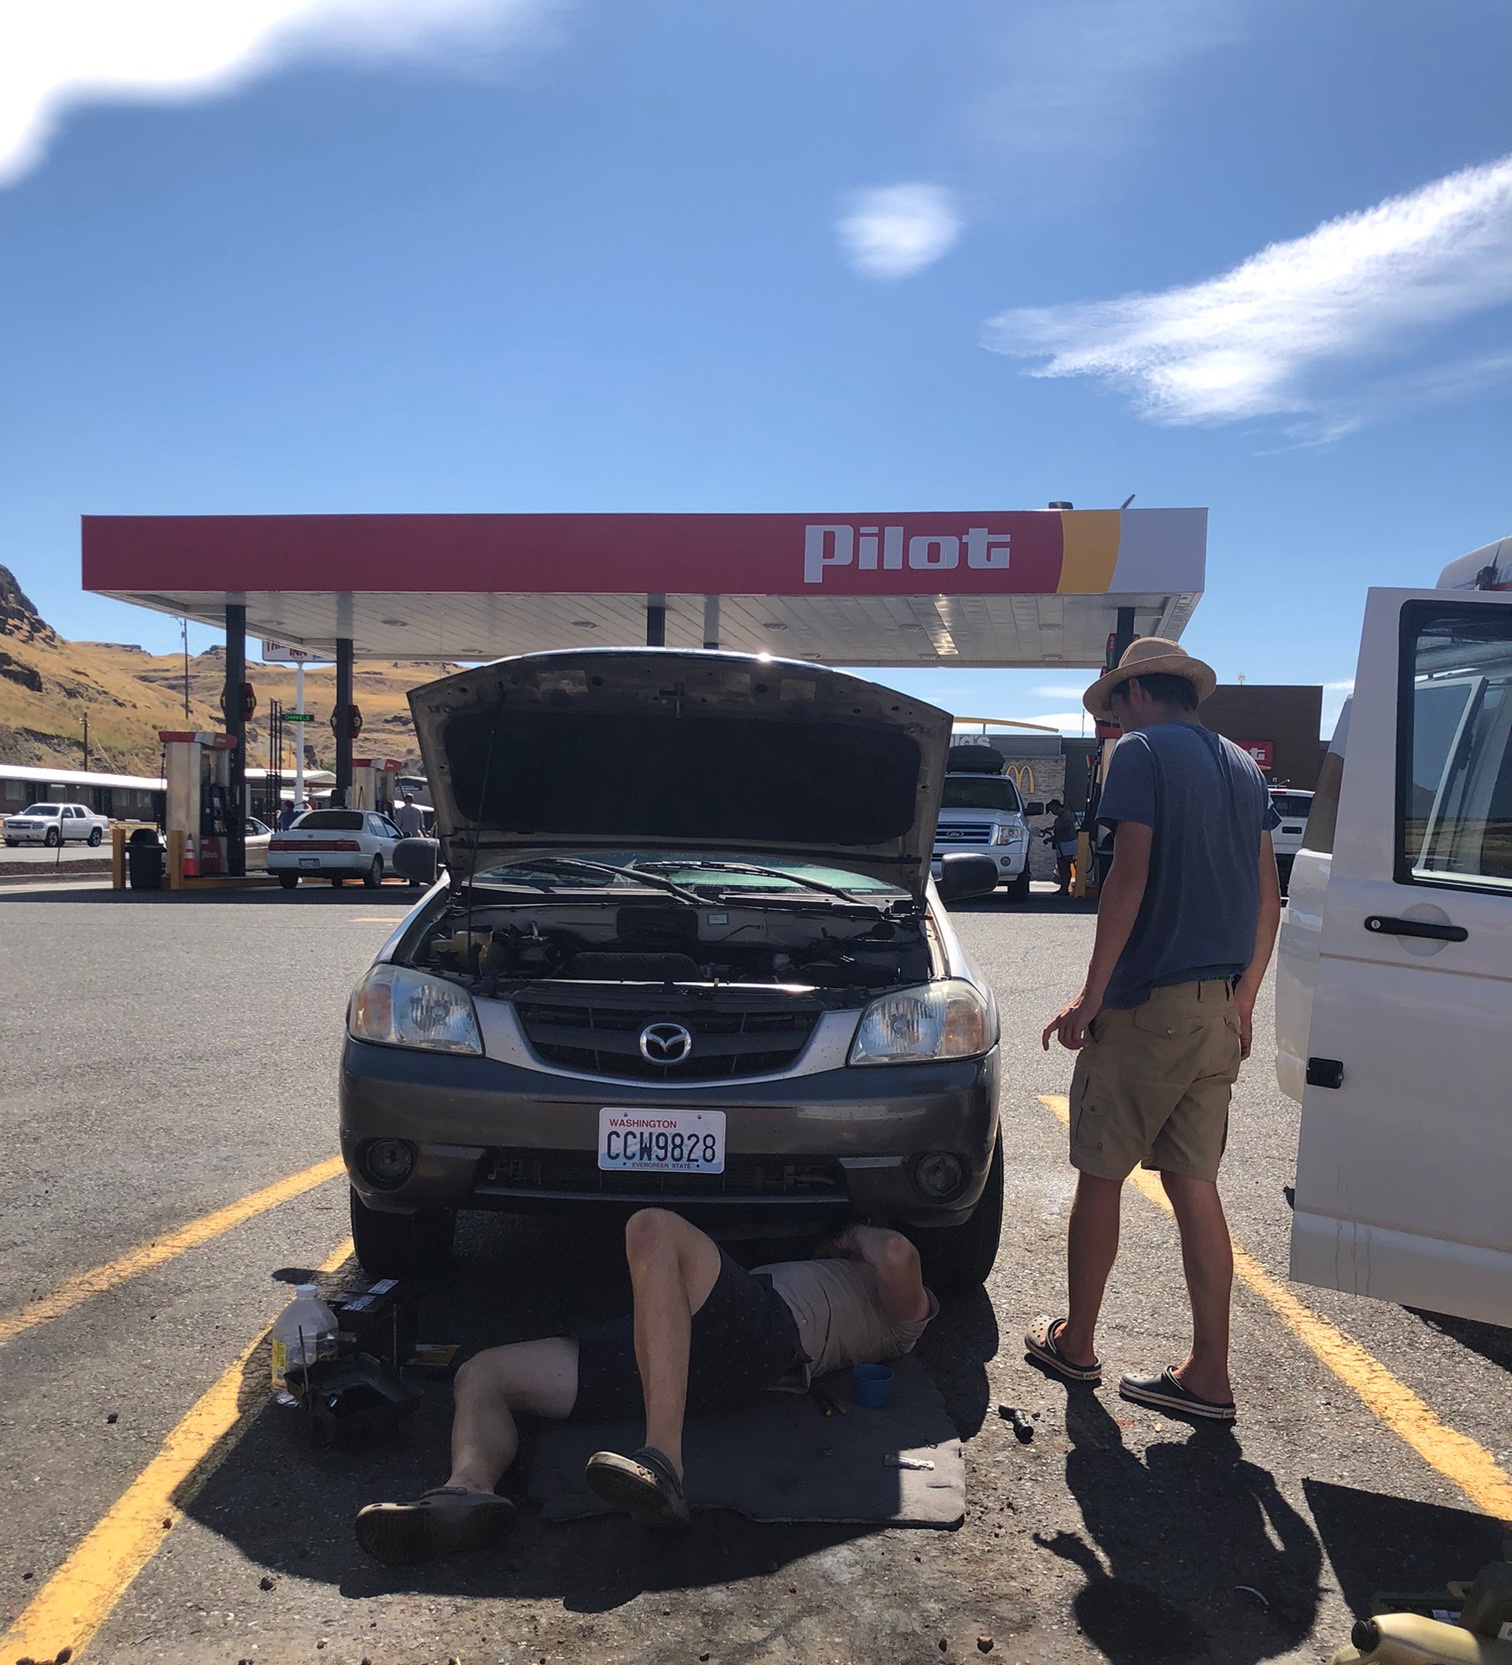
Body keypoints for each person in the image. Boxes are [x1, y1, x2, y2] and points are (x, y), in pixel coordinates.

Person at [355, 1209, 936, 1562]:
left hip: (771, 1332)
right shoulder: (849, 1283)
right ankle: (466, 1491)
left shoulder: (907, 1316)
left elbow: (896, 1252)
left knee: (652, 1228)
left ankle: (663, 1463)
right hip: (681, 1358)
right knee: (484, 1372)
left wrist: (847, 1233)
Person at [1028, 637, 1280, 1427]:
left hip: (1149, 1008)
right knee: (1194, 1185)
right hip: (1217, 1010)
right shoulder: (1242, 766)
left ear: (1137, 693)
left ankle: (1077, 1343)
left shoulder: (1139, 753)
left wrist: (1091, 996)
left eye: (1112, 708)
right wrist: (1244, 1001)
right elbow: (1268, 899)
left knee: (1101, 1173)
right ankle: (1210, 1373)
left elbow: (1128, 877)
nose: (1110, 723)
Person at [1046, 799, 1079, 893]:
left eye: (1053, 810)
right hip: (1061, 843)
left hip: (1068, 843)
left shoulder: (1066, 815)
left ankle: (1065, 889)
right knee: (1061, 867)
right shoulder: (1059, 818)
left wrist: (1055, 830)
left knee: (1065, 866)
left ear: (1057, 807)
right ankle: (1062, 888)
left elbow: (1067, 826)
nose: (1053, 812)